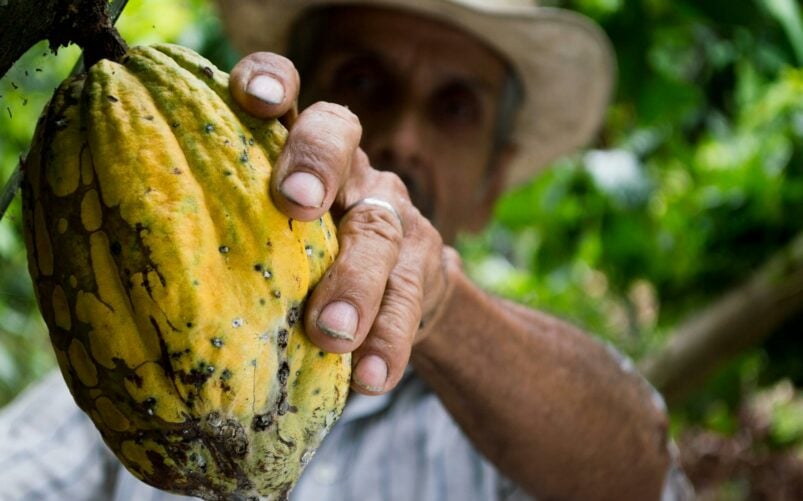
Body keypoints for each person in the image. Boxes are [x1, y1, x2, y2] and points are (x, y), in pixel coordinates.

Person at [0, 0, 693, 499]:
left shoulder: (512, 430)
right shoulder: (123, 349)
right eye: (363, 82)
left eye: (454, 106)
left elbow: (637, 468)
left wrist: (439, 304)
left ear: (493, 181)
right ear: (278, 105)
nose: (402, 137)